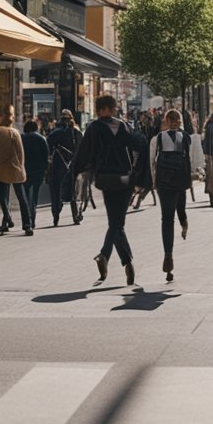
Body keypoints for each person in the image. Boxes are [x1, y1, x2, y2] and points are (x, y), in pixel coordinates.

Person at [72, 95, 146, 285]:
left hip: (105, 179)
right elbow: (140, 144)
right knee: (117, 222)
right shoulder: (124, 126)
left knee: (115, 222)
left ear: (98, 110)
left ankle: (127, 264)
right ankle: (107, 255)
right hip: (124, 179)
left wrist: (73, 174)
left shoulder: (94, 129)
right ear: (112, 109)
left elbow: (82, 153)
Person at [150, 109, 192, 282]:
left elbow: (152, 161)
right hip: (180, 180)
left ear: (166, 121)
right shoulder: (186, 138)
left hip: (164, 182)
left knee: (166, 219)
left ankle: (168, 254)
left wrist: (154, 182)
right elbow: (193, 159)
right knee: (180, 208)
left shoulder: (157, 139)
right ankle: (184, 224)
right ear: (180, 121)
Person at [0, 106, 32, 235]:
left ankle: (6, 221)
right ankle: (27, 225)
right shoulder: (14, 133)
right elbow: (20, 153)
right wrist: (21, 168)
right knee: (22, 198)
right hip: (14, 168)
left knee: (2, 196)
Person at [47, 110, 83, 226]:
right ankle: (75, 217)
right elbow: (82, 149)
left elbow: (48, 149)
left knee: (56, 192)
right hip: (73, 166)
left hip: (58, 166)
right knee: (73, 192)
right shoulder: (77, 132)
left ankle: (56, 216)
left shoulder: (55, 133)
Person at [22, 119, 49, 229]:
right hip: (38, 170)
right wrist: (46, 169)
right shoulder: (41, 138)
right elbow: (46, 154)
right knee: (35, 195)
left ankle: (28, 218)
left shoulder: (21, 138)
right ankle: (32, 218)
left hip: (26, 170)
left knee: (26, 195)